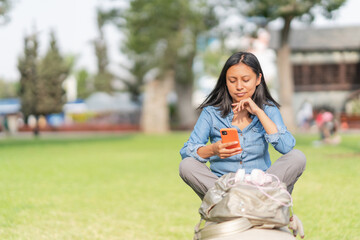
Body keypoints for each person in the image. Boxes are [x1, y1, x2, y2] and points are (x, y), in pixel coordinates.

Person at [179, 52, 306, 200]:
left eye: (246, 80)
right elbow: (186, 152)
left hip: (260, 184)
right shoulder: (211, 113)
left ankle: (258, 196)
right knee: (187, 165)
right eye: (232, 80)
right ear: (225, 81)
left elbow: (286, 147)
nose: (239, 87)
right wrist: (213, 150)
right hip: (224, 186)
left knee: (297, 157)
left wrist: (259, 112)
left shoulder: (268, 110)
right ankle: (230, 199)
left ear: (258, 79)